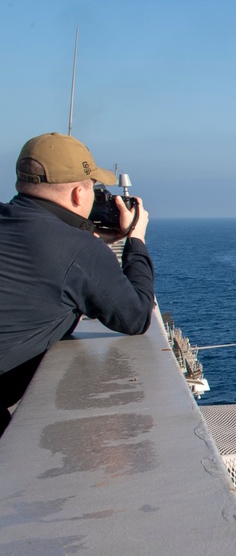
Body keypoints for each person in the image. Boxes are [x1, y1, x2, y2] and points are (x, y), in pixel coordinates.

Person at [0, 132, 155, 437]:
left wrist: (86, 237)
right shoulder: (78, 251)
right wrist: (135, 239)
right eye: (94, 189)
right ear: (76, 195)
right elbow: (136, 316)